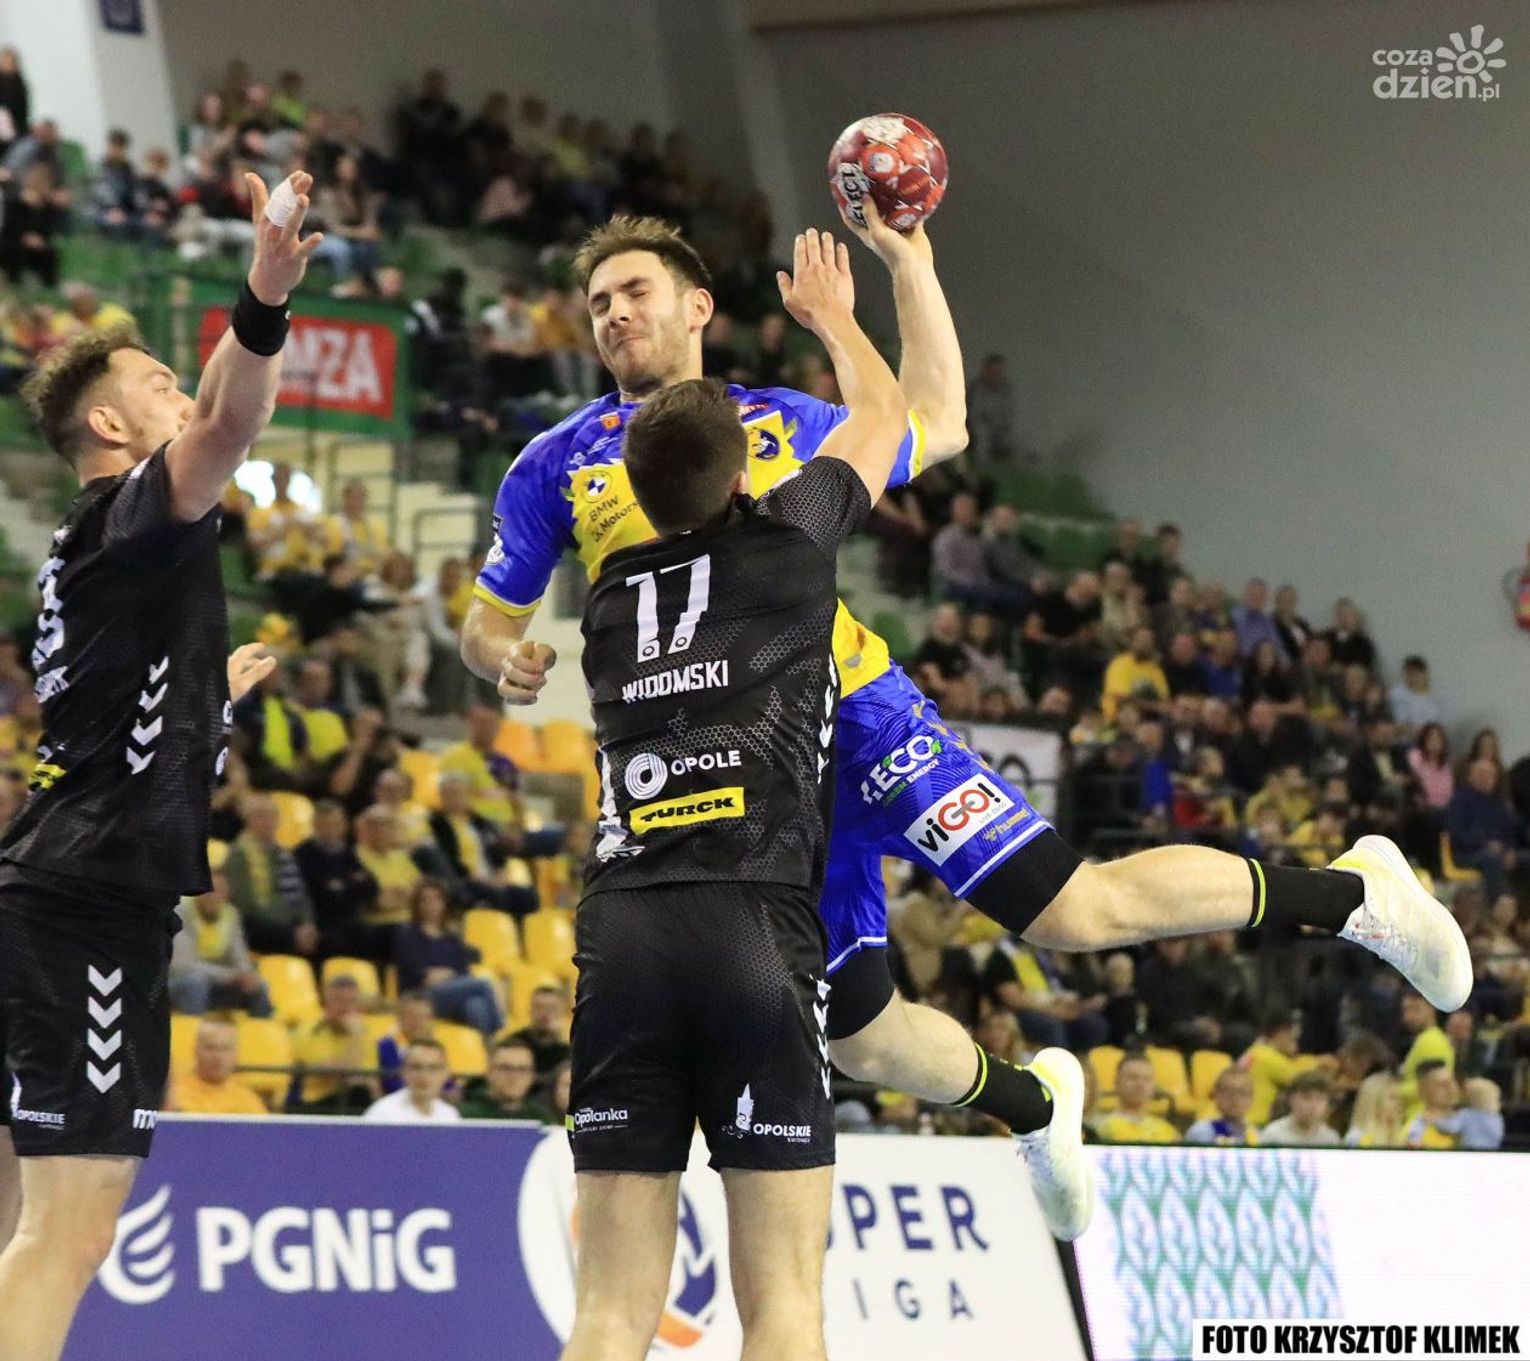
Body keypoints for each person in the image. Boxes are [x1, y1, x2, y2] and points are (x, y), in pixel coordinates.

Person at [457, 208, 1469, 1245]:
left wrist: (910, 262)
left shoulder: (782, 422)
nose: (614, 314)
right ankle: (1033, 1104)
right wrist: (505, 657)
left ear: (698, 307)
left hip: (859, 720)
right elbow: (485, 621)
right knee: (860, 1038)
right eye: (598, 302)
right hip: (736, 791)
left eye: (635, 291)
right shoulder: (554, 463)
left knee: (1071, 911)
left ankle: (1356, 894)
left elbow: (939, 420)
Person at [548, 228, 1039, 1361]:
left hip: (622, 931)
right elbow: (886, 415)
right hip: (753, 925)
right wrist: (834, 316)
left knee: (609, 1313)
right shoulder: (787, 548)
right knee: (783, 1309)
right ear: (745, 477)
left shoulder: (608, 601)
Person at [0, 169, 319, 1361]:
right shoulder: (135, 512)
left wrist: (204, 701)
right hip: (88, 901)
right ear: (111, 429)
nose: (182, 395)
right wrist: (266, 287)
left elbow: (104, 717)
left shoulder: (93, 543)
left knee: (21, 1218)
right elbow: (233, 421)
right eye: (157, 385)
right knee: (71, 1226)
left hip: (48, 880)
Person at [391, 879, 503, 1035]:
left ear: (444, 904)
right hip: (420, 996)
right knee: (483, 984)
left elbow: (463, 972)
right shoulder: (407, 935)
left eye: (436, 899)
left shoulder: (452, 938)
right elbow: (420, 976)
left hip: (451, 993)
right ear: (417, 905)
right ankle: (500, 1028)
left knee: (475, 1006)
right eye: (425, 900)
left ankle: (486, 1046)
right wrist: (449, 974)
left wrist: (445, 975)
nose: (431, 905)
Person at [168, 870, 273, 1016]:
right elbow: (183, 965)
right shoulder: (180, 912)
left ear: (227, 895)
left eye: (218, 891)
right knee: (196, 982)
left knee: (258, 985)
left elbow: (240, 957)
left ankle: (262, 1028)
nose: (212, 896)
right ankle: (194, 1028)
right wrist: (230, 976)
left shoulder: (231, 915)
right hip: (172, 983)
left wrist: (246, 975)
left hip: (213, 983)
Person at [166, 1016, 268, 1116]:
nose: (218, 1056)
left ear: (236, 1053)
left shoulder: (248, 1101)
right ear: (195, 1050)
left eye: (225, 1049)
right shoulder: (173, 1094)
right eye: (210, 1048)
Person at [362, 1038, 461, 1124]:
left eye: (433, 1068)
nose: (424, 1075)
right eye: (416, 1067)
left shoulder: (450, 1115)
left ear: (446, 1073)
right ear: (403, 1071)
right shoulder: (381, 1114)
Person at [460, 1037, 556, 1122]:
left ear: (532, 1076)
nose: (514, 1076)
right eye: (506, 1068)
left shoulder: (542, 1119)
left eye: (522, 1069)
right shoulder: (463, 1116)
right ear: (489, 1072)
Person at [1091, 1055, 1181, 1144]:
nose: (1140, 1084)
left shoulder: (1168, 1131)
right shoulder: (1100, 1129)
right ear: (1117, 1082)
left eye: (1147, 1079)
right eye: (1133, 1077)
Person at [1259, 1071, 1340, 1147]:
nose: (1313, 1105)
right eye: (1307, 1097)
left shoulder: (1331, 1138)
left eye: (1320, 1099)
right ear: (1291, 1100)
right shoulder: (1273, 1134)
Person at [506, 985, 571, 1078]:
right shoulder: (513, 1045)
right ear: (530, 1010)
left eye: (551, 1008)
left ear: (562, 1012)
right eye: (539, 1007)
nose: (544, 1013)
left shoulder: (571, 1050)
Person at [1185, 1067, 1259, 1146]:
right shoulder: (1202, 1132)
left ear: (1251, 1097)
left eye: (1242, 1092)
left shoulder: (1256, 1134)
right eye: (1229, 1091)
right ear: (1216, 1095)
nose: (1235, 1098)